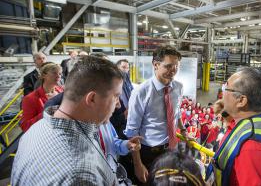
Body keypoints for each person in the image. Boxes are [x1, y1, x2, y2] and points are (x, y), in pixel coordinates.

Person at [11, 56, 123, 185]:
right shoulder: (81, 175)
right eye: (115, 97)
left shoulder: (37, 128)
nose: (118, 104)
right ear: (92, 98)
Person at [124, 46, 188, 184]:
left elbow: (175, 112)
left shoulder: (179, 87)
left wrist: (183, 130)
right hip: (148, 152)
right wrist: (138, 164)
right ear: (155, 65)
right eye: (169, 66)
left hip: (170, 149)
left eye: (176, 66)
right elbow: (132, 131)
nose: (173, 71)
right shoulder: (141, 92)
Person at [207, 67, 261, 186]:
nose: (222, 93)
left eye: (226, 88)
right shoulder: (244, 123)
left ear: (241, 101)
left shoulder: (253, 150)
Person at [21, 62, 63, 132]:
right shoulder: (30, 99)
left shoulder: (61, 91)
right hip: (43, 134)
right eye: (54, 73)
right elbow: (25, 126)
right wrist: (47, 112)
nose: (58, 76)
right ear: (43, 75)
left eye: (60, 73)